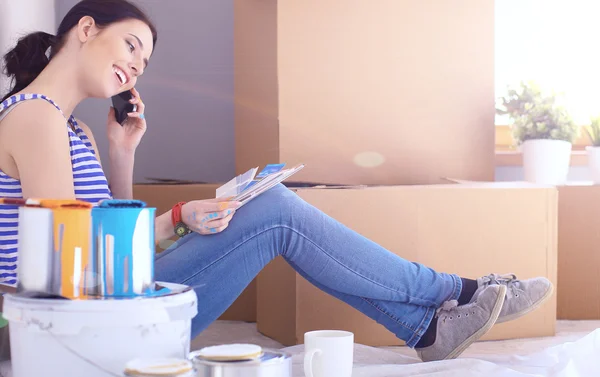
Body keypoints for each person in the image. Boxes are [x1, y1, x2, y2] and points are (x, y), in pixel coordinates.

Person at [0, 0, 553, 362]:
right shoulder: (36, 118)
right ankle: (454, 292)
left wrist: (123, 150)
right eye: (131, 46)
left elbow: (110, 252)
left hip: (103, 309)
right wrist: (176, 218)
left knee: (273, 212)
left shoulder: (70, 128)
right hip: (77, 336)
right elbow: (75, 268)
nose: (137, 67)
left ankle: (430, 329)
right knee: (275, 211)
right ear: (86, 29)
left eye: (144, 62)